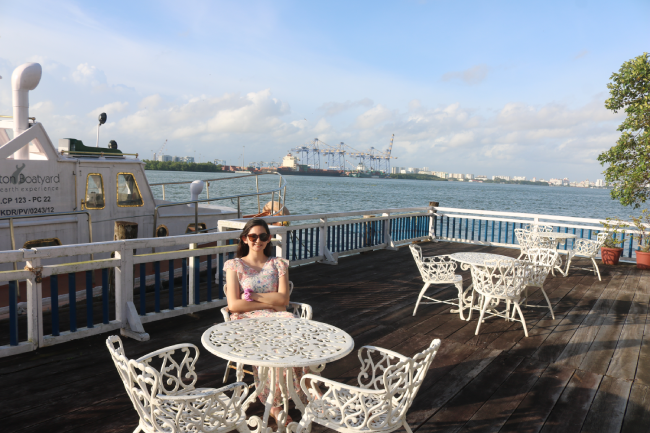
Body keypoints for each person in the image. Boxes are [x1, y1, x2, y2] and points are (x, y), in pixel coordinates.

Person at [223, 218, 312, 425]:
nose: (258, 241)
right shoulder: (234, 265)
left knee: (299, 336)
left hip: (278, 317)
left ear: (269, 238)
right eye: (253, 236)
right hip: (246, 321)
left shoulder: (278, 264)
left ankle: (309, 389)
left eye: (263, 236)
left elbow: (284, 301)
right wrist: (270, 304)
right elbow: (235, 305)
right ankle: (274, 403)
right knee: (274, 345)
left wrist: (253, 297)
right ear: (244, 239)